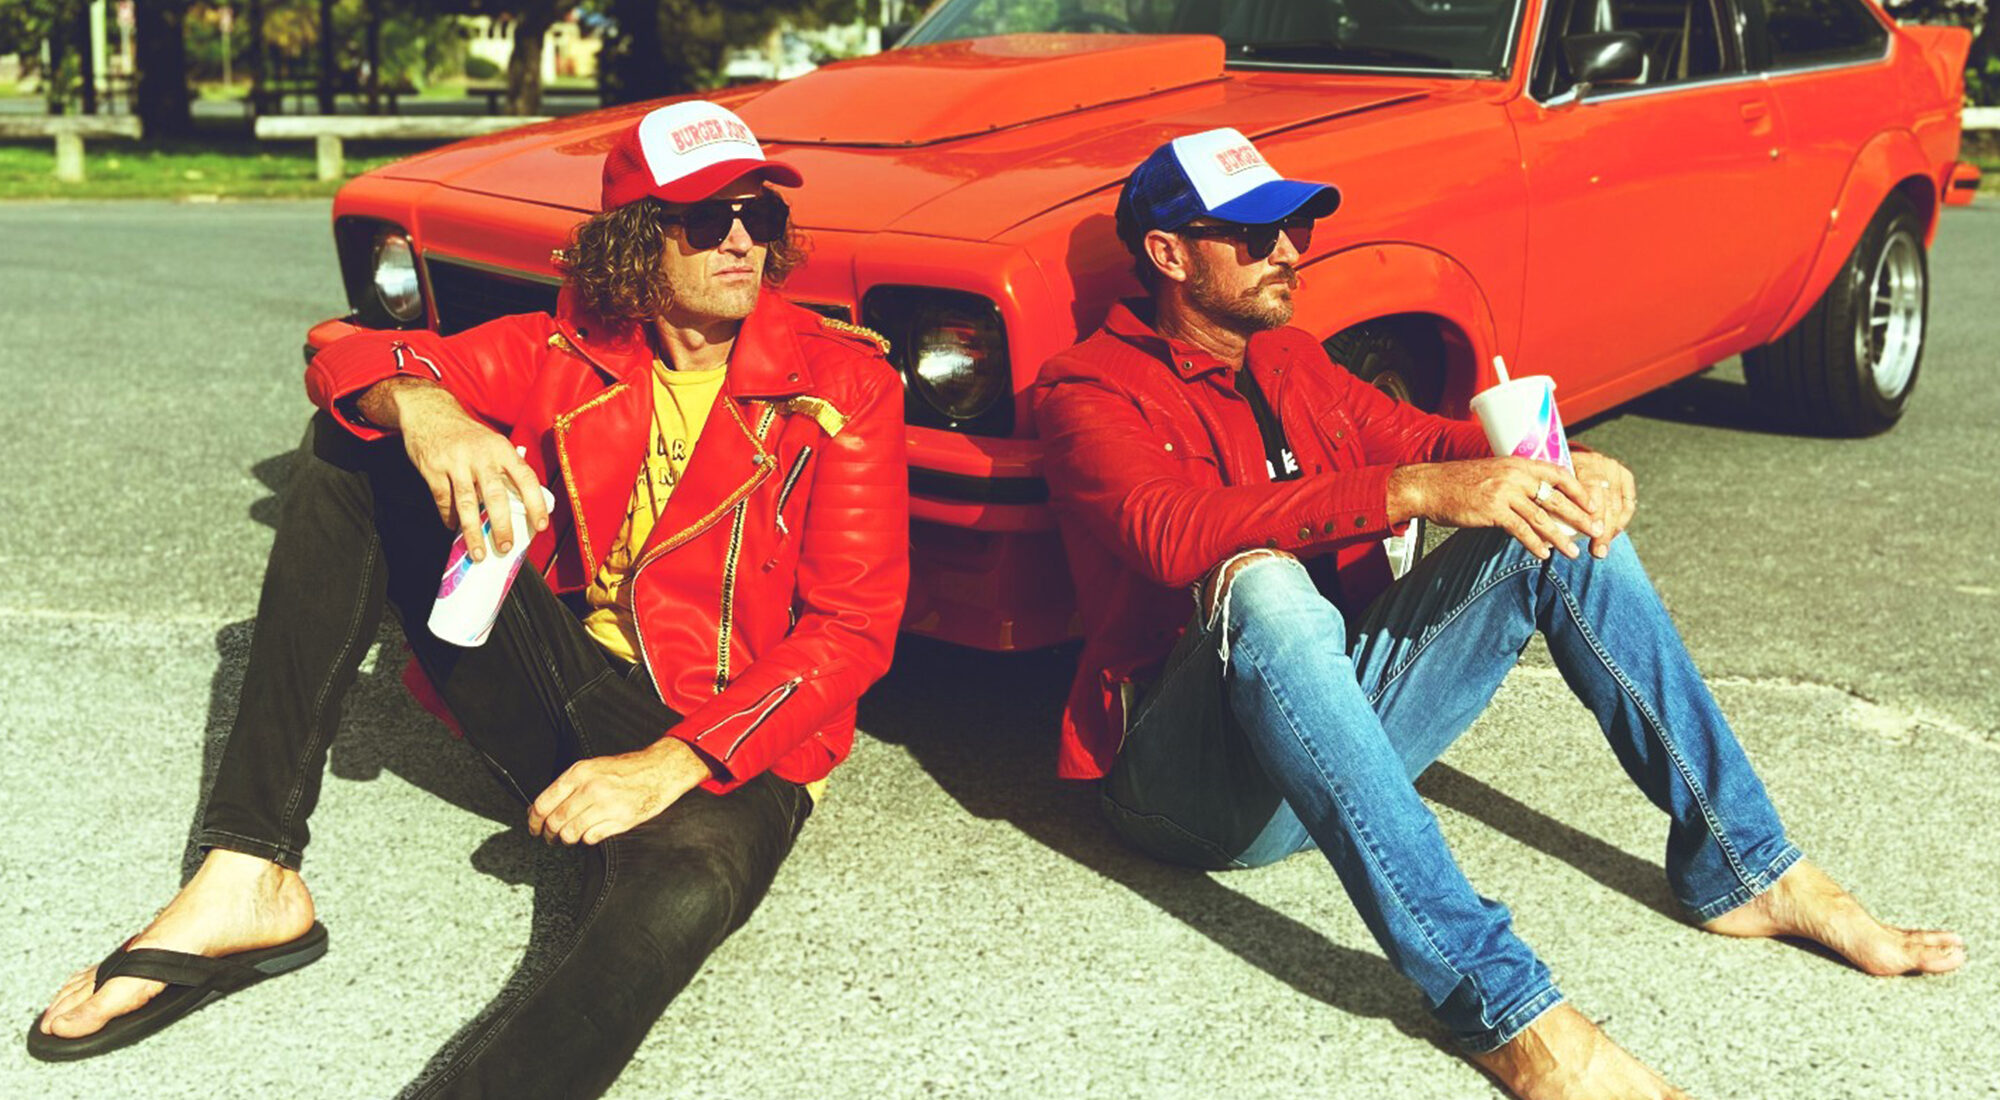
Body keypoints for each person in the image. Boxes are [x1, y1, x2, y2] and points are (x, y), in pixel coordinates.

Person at [1031, 127, 1964, 1100]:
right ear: (1168, 254)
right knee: (1260, 582)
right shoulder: (1089, 386)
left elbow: (1424, 440)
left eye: (1294, 225)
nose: (1287, 251)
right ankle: (1505, 1007)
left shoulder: (1290, 359)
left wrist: (1561, 467)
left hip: (1330, 741)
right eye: (1253, 232)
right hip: (1189, 790)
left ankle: (1747, 868)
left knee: (1549, 522)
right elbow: (1167, 529)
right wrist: (1413, 490)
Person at [29, 100, 909, 1099]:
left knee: (679, 895)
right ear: (633, 239)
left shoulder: (838, 385)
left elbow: (852, 627)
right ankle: (248, 871)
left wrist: (667, 763)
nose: (744, 238)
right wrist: (428, 412)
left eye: (760, 213)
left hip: (725, 735)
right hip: (567, 683)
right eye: (707, 218)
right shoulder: (570, 348)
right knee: (351, 451)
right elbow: (343, 351)